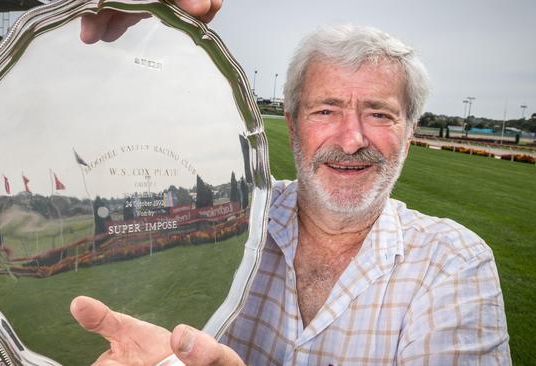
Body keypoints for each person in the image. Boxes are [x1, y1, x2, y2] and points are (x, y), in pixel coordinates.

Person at [71, 1, 511, 365]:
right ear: (294, 123)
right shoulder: (238, 213)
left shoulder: (453, 262)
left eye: (379, 113)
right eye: (326, 110)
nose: (352, 139)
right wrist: (148, 36)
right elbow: (140, 161)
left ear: (409, 133)